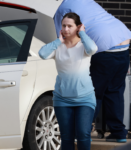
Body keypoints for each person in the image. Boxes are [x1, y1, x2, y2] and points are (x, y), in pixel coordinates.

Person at [54, 0, 131, 142]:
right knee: (115, 91)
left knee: (92, 92)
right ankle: (119, 133)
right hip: (123, 43)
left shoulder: (62, 11)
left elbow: (65, 40)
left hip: (104, 48)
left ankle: (82, 131)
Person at [39, 12, 98, 150]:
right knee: (66, 137)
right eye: (64, 26)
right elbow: (42, 54)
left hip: (85, 98)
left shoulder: (84, 45)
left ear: (78, 27)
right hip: (62, 99)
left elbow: (93, 49)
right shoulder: (57, 46)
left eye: (70, 26)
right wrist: (58, 40)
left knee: (83, 134)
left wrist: (82, 33)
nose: (66, 29)